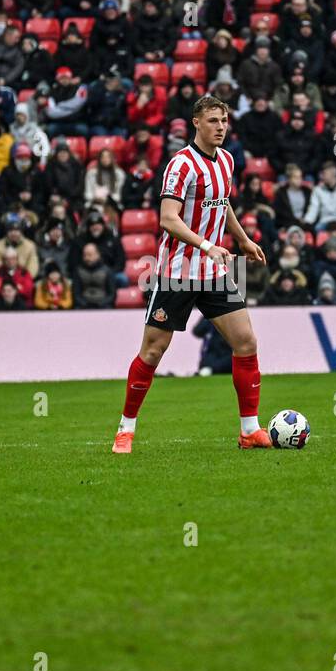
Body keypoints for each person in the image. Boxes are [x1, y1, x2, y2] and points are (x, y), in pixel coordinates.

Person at [112, 95, 270, 454]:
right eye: (213, 121)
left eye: (225, 121)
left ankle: (249, 430)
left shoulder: (227, 160)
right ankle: (126, 429)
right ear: (196, 122)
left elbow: (221, 203)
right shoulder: (180, 165)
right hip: (177, 272)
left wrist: (243, 239)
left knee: (246, 341)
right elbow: (168, 218)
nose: (221, 127)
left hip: (213, 271)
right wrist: (205, 244)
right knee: (153, 351)